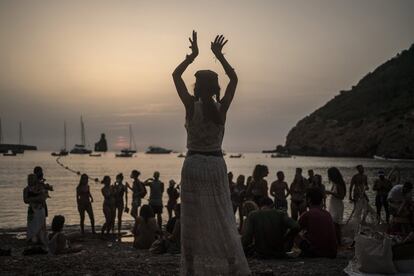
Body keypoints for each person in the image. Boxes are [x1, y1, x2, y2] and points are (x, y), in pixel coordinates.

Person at [173, 31, 250, 274]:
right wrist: (220, 56)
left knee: (192, 219)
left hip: (193, 164)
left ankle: (192, 269)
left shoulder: (189, 106)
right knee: (223, 215)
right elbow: (235, 80)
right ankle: (230, 265)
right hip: (216, 165)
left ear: (197, 88)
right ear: (216, 88)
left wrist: (192, 56)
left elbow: (175, 75)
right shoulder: (222, 108)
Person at [297, 188, 337, 258]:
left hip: (316, 253)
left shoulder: (307, 214)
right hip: (331, 252)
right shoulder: (327, 214)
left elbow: (295, 229)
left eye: (305, 198)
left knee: (295, 235)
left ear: (309, 200)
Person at [23, 173, 48, 251]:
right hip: (32, 210)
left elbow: (43, 198)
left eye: (32, 179)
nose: (30, 181)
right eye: (29, 179)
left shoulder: (40, 188)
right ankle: (32, 239)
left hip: (40, 209)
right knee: (31, 225)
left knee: (40, 225)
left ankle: (41, 239)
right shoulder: (26, 189)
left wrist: (32, 198)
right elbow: (25, 200)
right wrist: (36, 198)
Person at [325, 167, 346, 246]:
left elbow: (342, 196)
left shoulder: (339, 183)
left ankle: (339, 242)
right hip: (333, 205)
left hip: (337, 206)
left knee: (336, 224)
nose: (328, 176)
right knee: (333, 224)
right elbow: (333, 193)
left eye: (329, 174)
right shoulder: (334, 183)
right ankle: (336, 241)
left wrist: (330, 192)